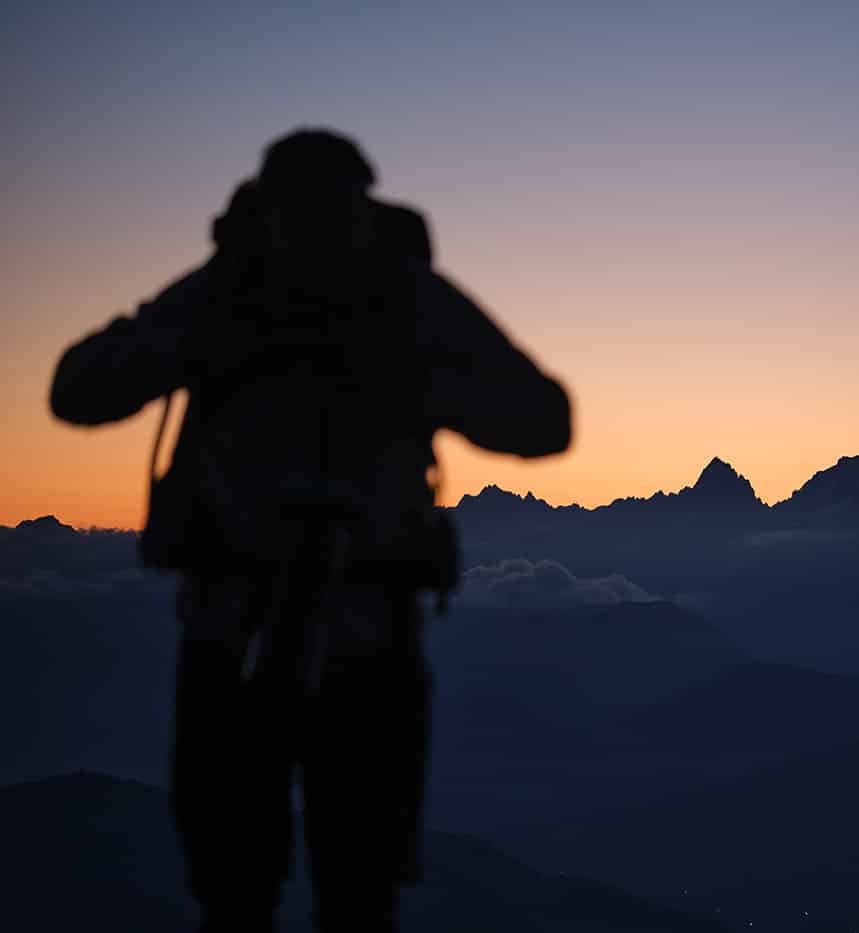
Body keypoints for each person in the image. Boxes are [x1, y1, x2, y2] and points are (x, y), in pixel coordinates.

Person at [48, 128, 571, 932]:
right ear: (273, 215)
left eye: (334, 211)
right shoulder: (237, 293)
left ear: (364, 213)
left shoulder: (389, 299)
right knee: (281, 894)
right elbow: (75, 388)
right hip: (289, 639)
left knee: (304, 895)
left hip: (293, 641)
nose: (321, 232)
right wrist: (209, 346)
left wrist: (413, 384)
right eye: (307, 211)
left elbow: (546, 418)